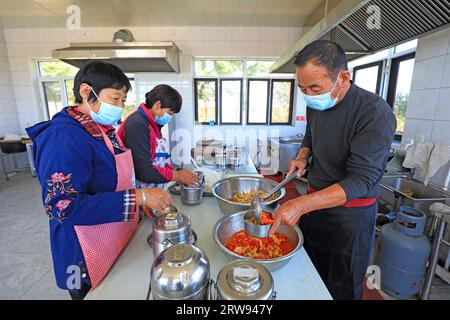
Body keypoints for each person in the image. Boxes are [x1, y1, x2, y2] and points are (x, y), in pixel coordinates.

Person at [26, 61, 172, 300]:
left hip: (111, 238)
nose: (119, 106)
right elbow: (63, 206)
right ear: (86, 92)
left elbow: (109, 181)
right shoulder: (64, 136)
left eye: (123, 101)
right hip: (82, 254)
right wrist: (139, 196)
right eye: (115, 98)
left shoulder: (101, 131)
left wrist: (137, 201)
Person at [269, 40, 396, 300]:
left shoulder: (373, 113)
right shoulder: (316, 104)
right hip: (315, 210)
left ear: (343, 77)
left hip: (350, 220)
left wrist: (300, 205)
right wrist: (302, 156)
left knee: (342, 288)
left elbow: (361, 180)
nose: (309, 94)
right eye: (303, 88)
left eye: (315, 87)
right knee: (309, 275)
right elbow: (310, 138)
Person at [118, 85, 200, 190]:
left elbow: (158, 160)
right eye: (170, 113)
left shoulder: (153, 124)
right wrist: (177, 176)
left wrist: (177, 172)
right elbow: (143, 171)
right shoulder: (137, 124)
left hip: (151, 191)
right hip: (138, 193)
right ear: (157, 105)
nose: (170, 118)